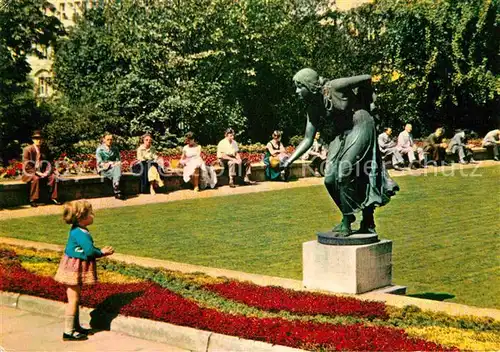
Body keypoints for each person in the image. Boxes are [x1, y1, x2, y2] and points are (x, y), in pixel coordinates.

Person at [283, 68, 398, 236]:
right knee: (329, 179)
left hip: (361, 123)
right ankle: (354, 216)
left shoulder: (336, 86)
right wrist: (289, 160)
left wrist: (368, 105)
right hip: (342, 133)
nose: (297, 91)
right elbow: (308, 139)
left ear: (310, 85)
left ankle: (348, 219)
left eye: (299, 87)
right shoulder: (313, 107)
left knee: (345, 173)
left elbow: (366, 77)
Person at [54, 200, 114, 341]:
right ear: (82, 217)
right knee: (73, 299)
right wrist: (103, 252)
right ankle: (68, 332)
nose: (93, 216)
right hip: (74, 268)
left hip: (73, 266)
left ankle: (75, 327)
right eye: (90, 214)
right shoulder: (80, 233)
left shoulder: (78, 229)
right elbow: (89, 251)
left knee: (75, 298)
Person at [21, 130, 60, 207]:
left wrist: (47, 172)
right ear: (33, 140)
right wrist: (37, 172)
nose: (38, 140)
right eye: (36, 139)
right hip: (30, 172)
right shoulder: (27, 149)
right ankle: (33, 199)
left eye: (40, 138)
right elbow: (26, 165)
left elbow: (49, 162)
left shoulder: (45, 149)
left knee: (53, 177)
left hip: (42, 172)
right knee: (36, 178)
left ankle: (53, 198)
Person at [96, 133, 125, 200]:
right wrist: (109, 164)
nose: (110, 141)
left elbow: (118, 160)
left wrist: (115, 164)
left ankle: (116, 185)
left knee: (117, 167)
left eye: (111, 139)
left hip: (114, 168)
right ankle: (117, 190)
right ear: (104, 140)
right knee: (116, 170)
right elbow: (99, 163)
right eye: (108, 139)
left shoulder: (115, 149)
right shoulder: (100, 150)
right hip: (104, 169)